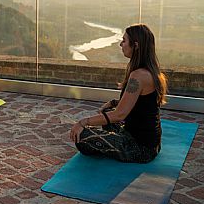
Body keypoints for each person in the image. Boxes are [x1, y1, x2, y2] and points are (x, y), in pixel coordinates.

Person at [69, 24, 167, 163]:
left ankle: (116, 143)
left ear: (136, 45)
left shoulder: (138, 76)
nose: (121, 44)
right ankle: (115, 139)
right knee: (108, 110)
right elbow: (141, 103)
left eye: (124, 41)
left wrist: (82, 122)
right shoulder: (148, 71)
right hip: (149, 143)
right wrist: (115, 103)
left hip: (141, 149)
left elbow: (119, 115)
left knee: (82, 136)